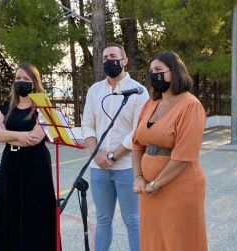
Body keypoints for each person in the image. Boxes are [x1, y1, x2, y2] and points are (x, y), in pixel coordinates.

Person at [132, 51, 208, 251]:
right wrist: (138, 177)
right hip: (148, 190)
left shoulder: (191, 105)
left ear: (174, 72)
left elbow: (184, 156)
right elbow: (137, 144)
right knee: (153, 241)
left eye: (159, 70)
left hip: (179, 188)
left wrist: (157, 183)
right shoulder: (150, 103)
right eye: (151, 71)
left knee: (179, 242)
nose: (153, 74)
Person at [81, 43, 149, 251]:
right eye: (104, 58)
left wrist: (113, 155)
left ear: (125, 60)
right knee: (102, 220)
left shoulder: (139, 91)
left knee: (133, 220)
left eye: (113, 56)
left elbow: (138, 131)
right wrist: (97, 153)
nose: (108, 60)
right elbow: (87, 125)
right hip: (98, 168)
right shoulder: (95, 90)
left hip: (127, 168)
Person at [0, 64, 56, 251]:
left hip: (35, 165)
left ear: (35, 83)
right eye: (18, 78)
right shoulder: (8, 105)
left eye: (27, 80)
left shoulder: (43, 107)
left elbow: (35, 139)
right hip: (10, 164)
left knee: (35, 212)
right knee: (9, 210)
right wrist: (20, 136)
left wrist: (8, 135)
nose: (22, 82)